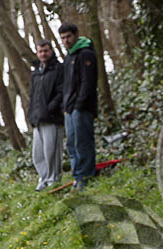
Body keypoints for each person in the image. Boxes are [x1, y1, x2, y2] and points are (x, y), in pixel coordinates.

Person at [58, 22, 98, 190]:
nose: (66, 41)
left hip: (82, 107)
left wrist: (79, 105)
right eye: (63, 38)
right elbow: (67, 85)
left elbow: (87, 83)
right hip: (69, 109)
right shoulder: (68, 57)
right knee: (72, 143)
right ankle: (77, 176)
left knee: (83, 141)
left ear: (75, 35)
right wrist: (65, 107)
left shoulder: (86, 54)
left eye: (68, 37)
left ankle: (86, 176)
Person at [28, 40, 64, 191]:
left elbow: (61, 92)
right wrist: (31, 113)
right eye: (40, 51)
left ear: (51, 51)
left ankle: (53, 179)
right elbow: (32, 95)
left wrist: (50, 109)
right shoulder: (36, 73)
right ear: (37, 53)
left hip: (52, 118)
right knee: (38, 153)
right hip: (37, 119)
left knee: (52, 151)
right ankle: (43, 178)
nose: (43, 54)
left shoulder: (58, 69)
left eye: (46, 51)